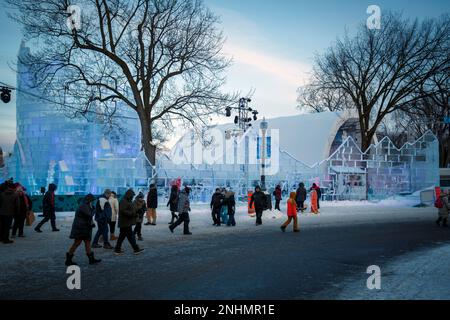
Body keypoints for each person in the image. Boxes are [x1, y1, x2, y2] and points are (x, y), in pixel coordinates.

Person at [65, 194, 101, 266]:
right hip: (80, 228)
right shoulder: (83, 206)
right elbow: (90, 214)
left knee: (87, 242)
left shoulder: (86, 205)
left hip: (85, 227)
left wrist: (92, 208)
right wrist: (94, 209)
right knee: (77, 242)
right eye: (92, 200)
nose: (93, 202)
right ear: (89, 200)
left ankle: (91, 259)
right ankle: (68, 259)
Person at [114, 189, 144, 255]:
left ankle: (117, 249)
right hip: (125, 222)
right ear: (129, 195)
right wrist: (132, 213)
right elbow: (123, 211)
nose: (132, 197)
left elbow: (131, 208)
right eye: (132, 196)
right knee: (129, 236)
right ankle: (135, 249)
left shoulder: (128, 200)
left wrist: (136, 211)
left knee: (123, 236)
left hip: (127, 222)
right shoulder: (123, 201)